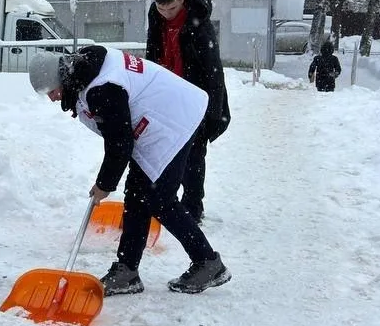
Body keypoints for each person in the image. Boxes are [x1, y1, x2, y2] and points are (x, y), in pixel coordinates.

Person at [28, 46, 231, 296]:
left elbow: (120, 143)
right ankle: (127, 271)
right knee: (137, 194)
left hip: (173, 119)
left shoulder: (102, 88)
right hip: (156, 117)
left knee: (159, 199)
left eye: (51, 91)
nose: (52, 98)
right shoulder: (85, 69)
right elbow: (118, 135)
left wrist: (104, 184)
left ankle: (208, 262)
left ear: (61, 78)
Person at [147, 0, 230, 225]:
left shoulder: (199, 22)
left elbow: (213, 69)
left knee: (193, 155)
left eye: (171, 9)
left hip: (195, 97)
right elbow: (152, 53)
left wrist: (212, 113)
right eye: (161, 9)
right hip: (167, 94)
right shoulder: (156, 17)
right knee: (163, 150)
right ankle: (163, 199)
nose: (167, 14)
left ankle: (193, 206)